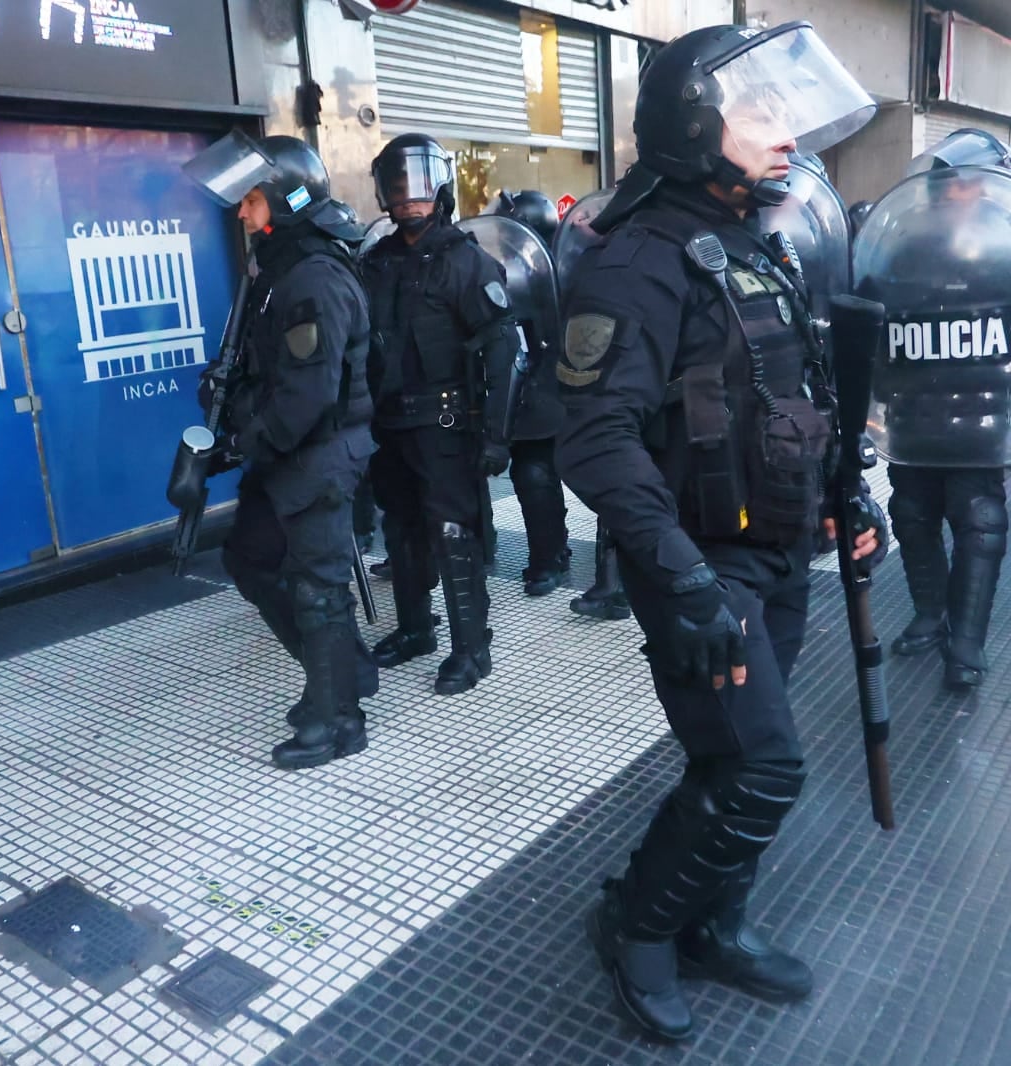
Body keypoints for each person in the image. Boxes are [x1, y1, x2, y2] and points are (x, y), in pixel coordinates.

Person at [553, 24, 886, 1040]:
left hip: (777, 549)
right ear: (692, 123)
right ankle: (639, 924)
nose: (783, 132)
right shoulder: (636, 267)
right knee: (761, 765)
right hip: (700, 565)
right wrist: (685, 582)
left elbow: (792, 394)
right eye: (757, 112)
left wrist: (847, 497)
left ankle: (716, 923)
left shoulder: (759, 245)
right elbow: (595, 444)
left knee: (732, 759)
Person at [183, 133, 377, 769]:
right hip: (286, 457)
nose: (242, 212)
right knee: (250, 559)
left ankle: (339, 718)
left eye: (252, 200)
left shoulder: (313, 279)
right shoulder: (276, 271)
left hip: (316, 456)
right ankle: (342, 671)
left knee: (318, 586)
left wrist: (242, 441)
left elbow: (307, 397)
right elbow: (265, 373)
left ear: (287, 201)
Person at [359, 133, 518, 694]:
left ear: (441, 186)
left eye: (419, 184)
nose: (408, 197)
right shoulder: (374, 263)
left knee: (452, 532)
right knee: (400, 527)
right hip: (389, 423)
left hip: (447, 423)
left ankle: (472, 648)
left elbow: (503, 349)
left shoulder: (466, 262)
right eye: (397, 186)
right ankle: (415, 629)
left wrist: (497, 436)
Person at [857, 130, 1011, 690]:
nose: (953, 193)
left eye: (965, 182)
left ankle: (966, 641)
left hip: (981, 421)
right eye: (947, 184)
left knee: (980, 522)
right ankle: (930, 615)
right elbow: (873, 318)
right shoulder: (904, 248)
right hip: (914, 417)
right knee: (913, 517)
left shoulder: (1006, 247)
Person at [490, 190, 572, 596]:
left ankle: (559, 558)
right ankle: (546, 555)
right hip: (514, 381)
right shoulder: (499, 270)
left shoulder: (564, 268)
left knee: (541, 473)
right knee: (529, 473)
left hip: (555, 380)